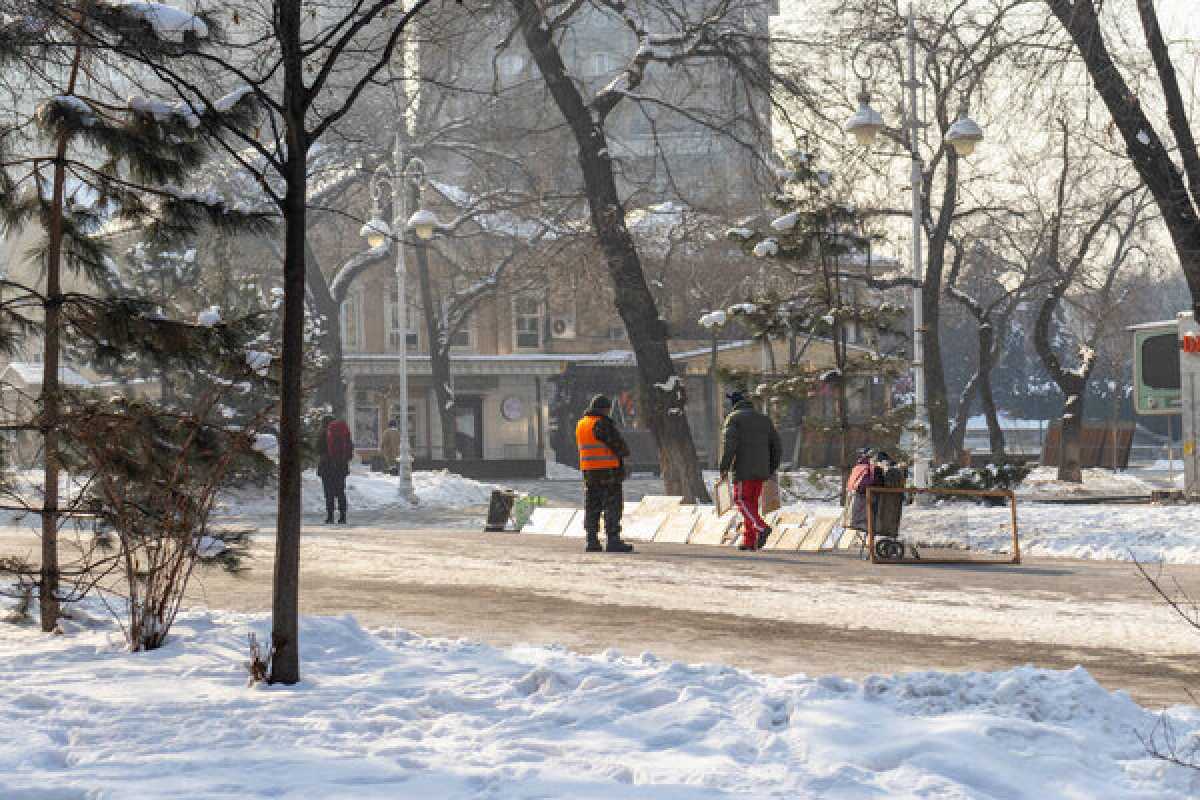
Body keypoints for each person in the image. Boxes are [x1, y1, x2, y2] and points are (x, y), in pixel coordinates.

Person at [718, 390, 782, 551]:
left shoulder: (733, 419)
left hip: (743, 469)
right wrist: (771, 467)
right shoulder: (764, 419)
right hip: (762, 470)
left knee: (741, 500)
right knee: (751, 503)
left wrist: (724, 467)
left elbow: (729, 446)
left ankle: (761, 527)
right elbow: (777, 446)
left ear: (733, 404)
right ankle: (749, 540)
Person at [575, 394, 635, 553]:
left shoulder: (582, 424)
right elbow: (619, 445)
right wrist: (625, 455)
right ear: (605, 409)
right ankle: (613, 539)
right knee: (612, 505)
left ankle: (591, 540)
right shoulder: (602, 423)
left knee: (592, 505)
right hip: (608, 471)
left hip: (589, 471)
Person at [317, 415, 354, 524]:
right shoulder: (343, 433)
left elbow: (317, 449)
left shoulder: (324, 433)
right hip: (341, 467)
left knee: (329, 492)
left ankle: (330, 516)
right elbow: (350, 450)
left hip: (326, 467)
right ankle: (343, 516)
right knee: (340, 491)